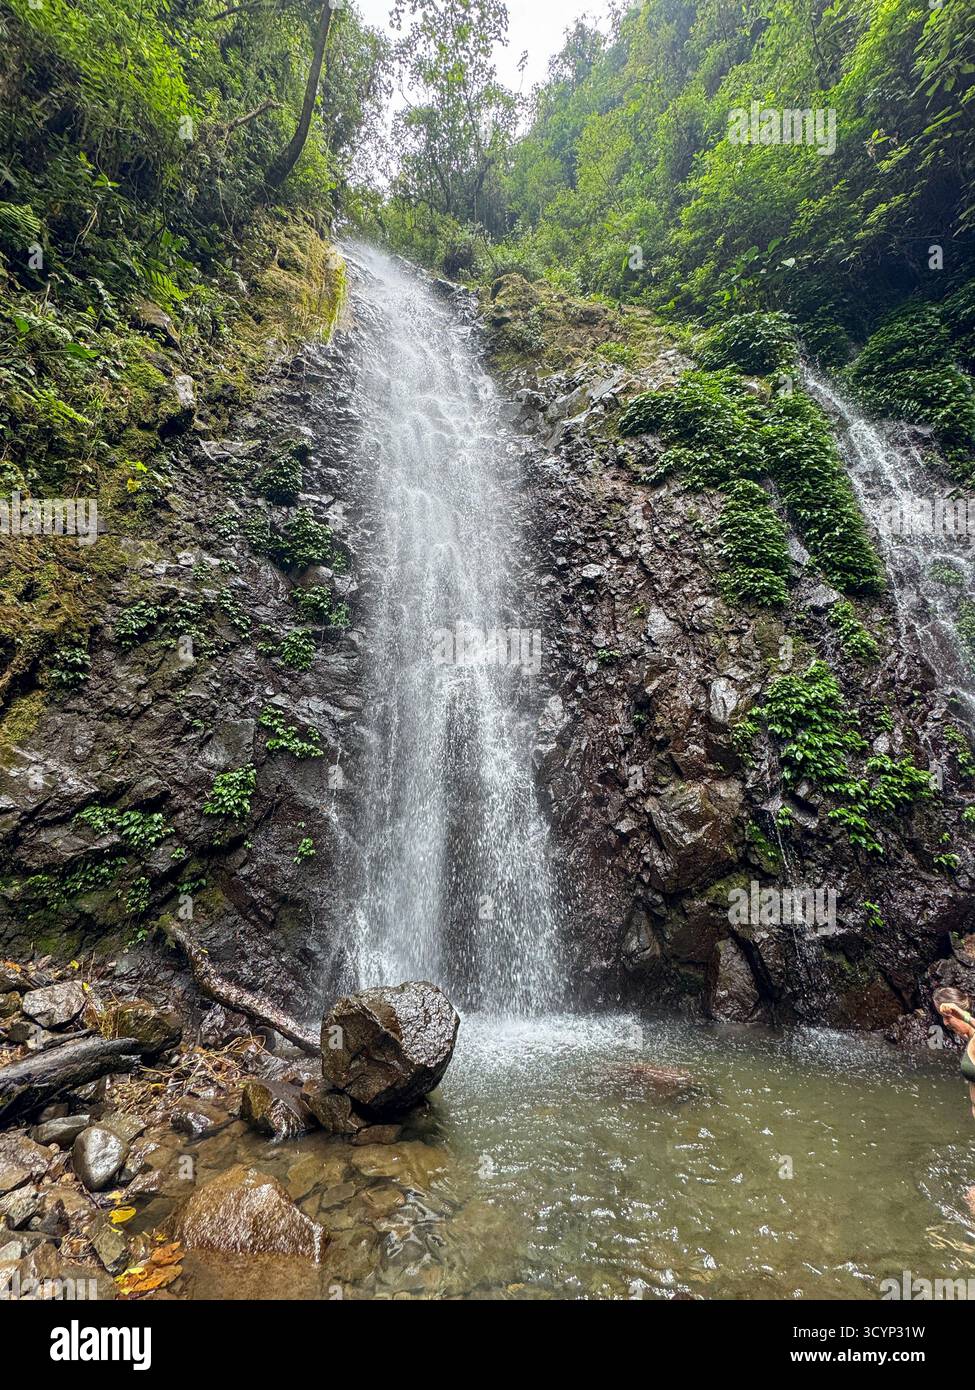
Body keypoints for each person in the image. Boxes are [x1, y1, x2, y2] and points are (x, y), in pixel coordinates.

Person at [934, 986, 975, 1122]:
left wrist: (964, 1016)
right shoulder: (969, 1038)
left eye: (948, 1017)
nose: (945, 1023)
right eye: (943, 1018)